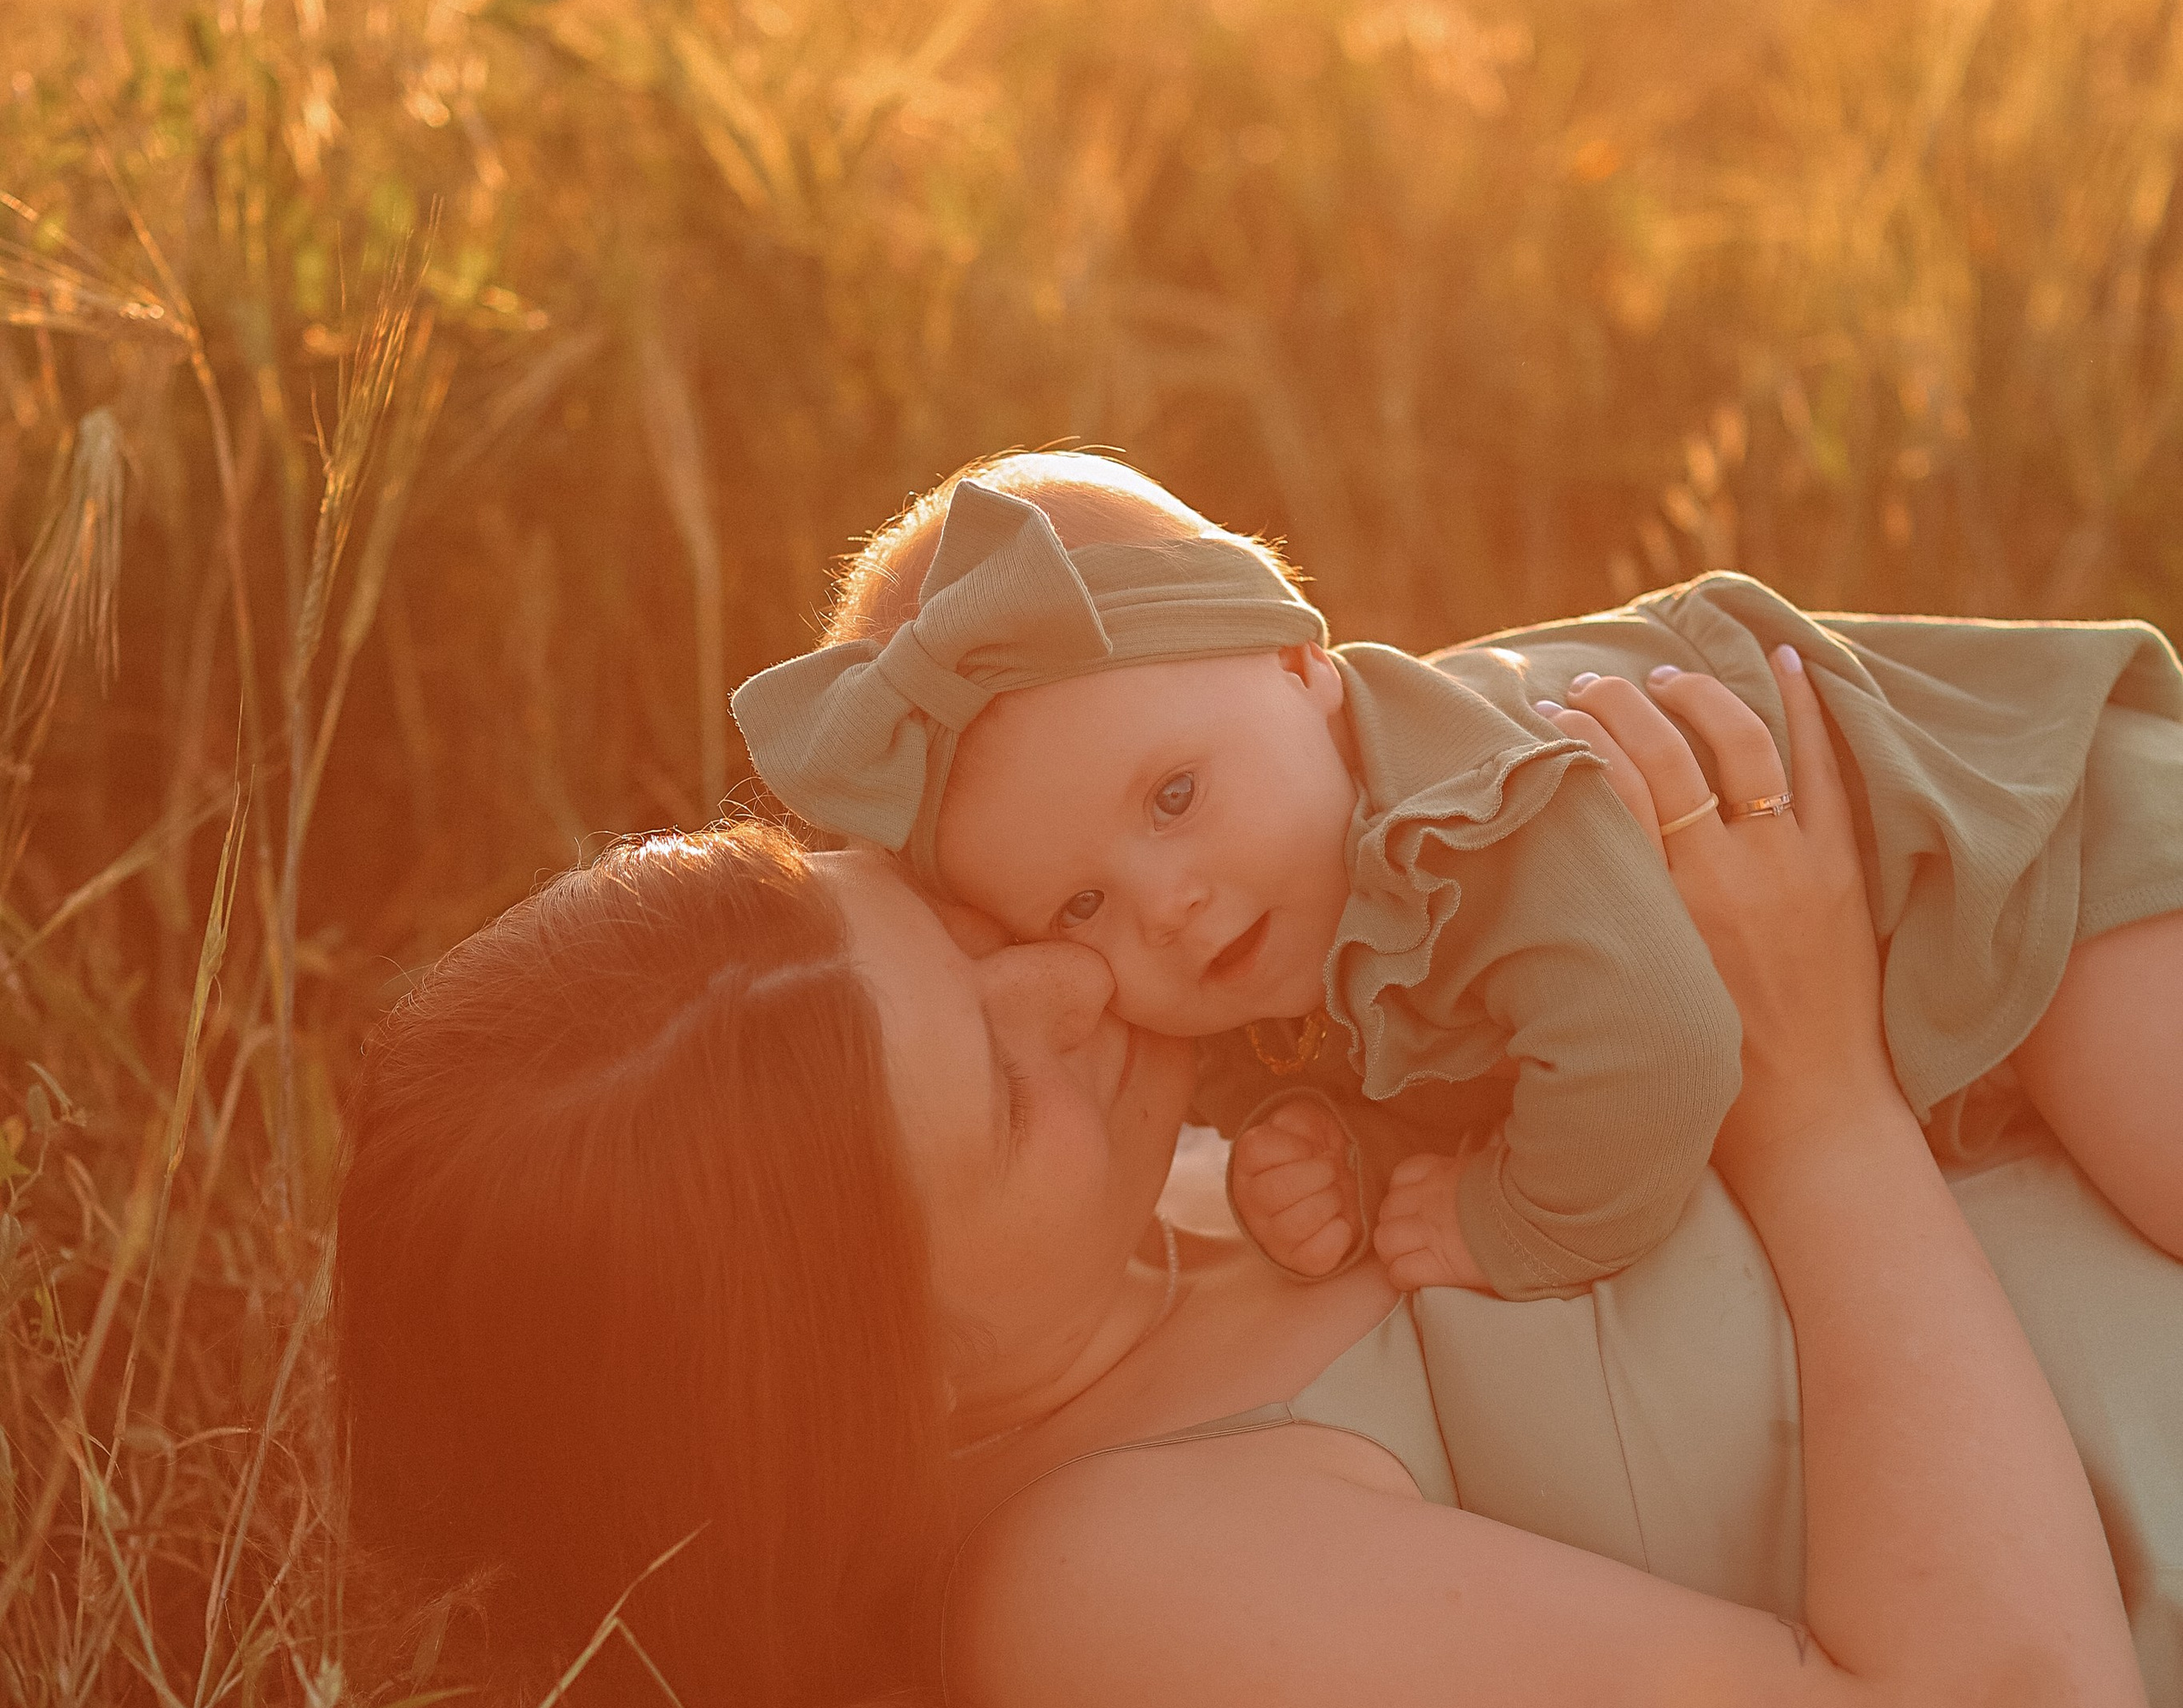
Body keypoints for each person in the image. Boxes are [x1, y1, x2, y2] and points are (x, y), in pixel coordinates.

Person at [334, 593, 2183, 1708]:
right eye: (1001, 1090)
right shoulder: (1121, 1606)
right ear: (878, 1385)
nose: (1078, 992)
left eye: (955, 938)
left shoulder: (1186, 1192)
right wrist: (1810, 1094)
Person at [730, 457, 2183, 1300]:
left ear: (1303, 666)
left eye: (1174, 796)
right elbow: (1471, 1047)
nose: (1165, 901)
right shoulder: (1292, 887)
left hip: (2042, 851)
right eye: (1080, 907)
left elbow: (1657, 1050)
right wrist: (1350, 1143)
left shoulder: (1470, 815)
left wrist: (1509, 1222)